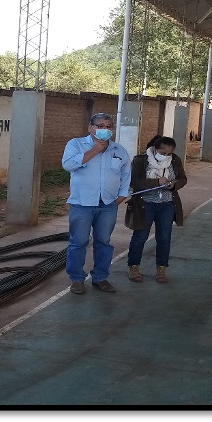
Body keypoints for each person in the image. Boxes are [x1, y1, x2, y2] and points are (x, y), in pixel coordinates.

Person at [62, 112, 132, 294]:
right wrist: (94, 150)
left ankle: (100, 277)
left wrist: (122, 195)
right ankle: (77, 279)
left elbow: (126, 174)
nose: (104, 130)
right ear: (90, 128)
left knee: (104, 241)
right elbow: (68, 165)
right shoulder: (76, 144)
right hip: (82, 204)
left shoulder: (119, 150)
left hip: (108, 205)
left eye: (108, 127)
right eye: (100, 126)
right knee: (79, 242)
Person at [124, 135, 187, 283]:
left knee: (164, 238)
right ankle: (134, 267)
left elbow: (183, 179)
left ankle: (161, 269)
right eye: (163, 153)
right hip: (145, 204)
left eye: (169, 153)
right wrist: (156, 182)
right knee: (140, 236)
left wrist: (174, 185)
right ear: (154, 149)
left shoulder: (175, 161)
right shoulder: (141, 160)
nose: (166, 156)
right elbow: (134, 182)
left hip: (167, 204)